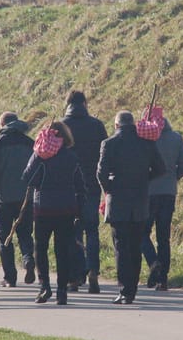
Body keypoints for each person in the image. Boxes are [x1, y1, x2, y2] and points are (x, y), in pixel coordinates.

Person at [97, 111, 165, 304]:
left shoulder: (109, 144)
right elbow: (161, 169)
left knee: (121, 247)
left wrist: (109, 188)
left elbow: (101, 173)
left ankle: (124, 289)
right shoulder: (146, 143)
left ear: (116, 125)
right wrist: (144, 179)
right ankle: (132, 290)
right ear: (133, 124)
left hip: (118, 201)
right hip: (140, 201)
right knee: (135, 246)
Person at [22, 121, 86, 305]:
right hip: (66, 208)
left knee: (40, 248)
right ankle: (62, 291)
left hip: (43, 208)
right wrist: (79, 209)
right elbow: (80, 185)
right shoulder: (71, 157)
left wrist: (37, 157)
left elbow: (28, 178)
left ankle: (44, 287)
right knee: (63, 250)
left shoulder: (40, 155)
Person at [61, 90, 108, 293]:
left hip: (69, 187)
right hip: (92, 185)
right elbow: (105, 156)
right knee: (92, 230)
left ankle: (74, 277)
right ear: (85, 104)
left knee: (73, 231)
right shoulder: (97, 126)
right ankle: (93, 272)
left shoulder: (62, 126)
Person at [140, 117, 183, 291]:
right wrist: (173, 178)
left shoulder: (144, 137)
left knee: (141, 232)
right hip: (168, 192)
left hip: (147, 193)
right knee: (164, 237)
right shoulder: (176, 138)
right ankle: (163, 280)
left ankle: (153, 261)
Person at [0, 111, 35, 288]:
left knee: (5, 237)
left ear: (2, 124)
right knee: (25, 233)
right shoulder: (30, 143)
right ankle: (28, 259)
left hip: (4, 197)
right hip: (26, 197)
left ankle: (10, 277)